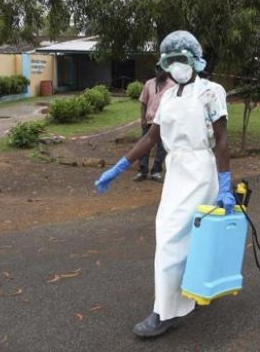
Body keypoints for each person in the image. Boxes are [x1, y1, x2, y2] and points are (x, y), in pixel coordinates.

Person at [94, 30, 235, 338]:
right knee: (183, 238)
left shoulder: (212, 91)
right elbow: (151, 137)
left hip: (200, 169)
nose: (175, 65)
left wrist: (225, 184)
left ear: (195, 60)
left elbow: (222, 139)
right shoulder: (169, 96)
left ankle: (165, 312)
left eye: (180, 59)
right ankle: (188, 296)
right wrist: (120, 166)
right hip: (176, 171)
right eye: (169, 60)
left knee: (172, 238)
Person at [134, 65, 174, 182]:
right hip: (150, 121)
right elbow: (143, 103)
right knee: (144, 146)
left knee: (162, 148)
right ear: (155, 71)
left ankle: (156, 171)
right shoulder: (148, 84)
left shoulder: (173, 86)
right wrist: (142, 119)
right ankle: (142, 171)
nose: (160, 72)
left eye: (163, 69)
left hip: (165, 122)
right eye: (158, 69)